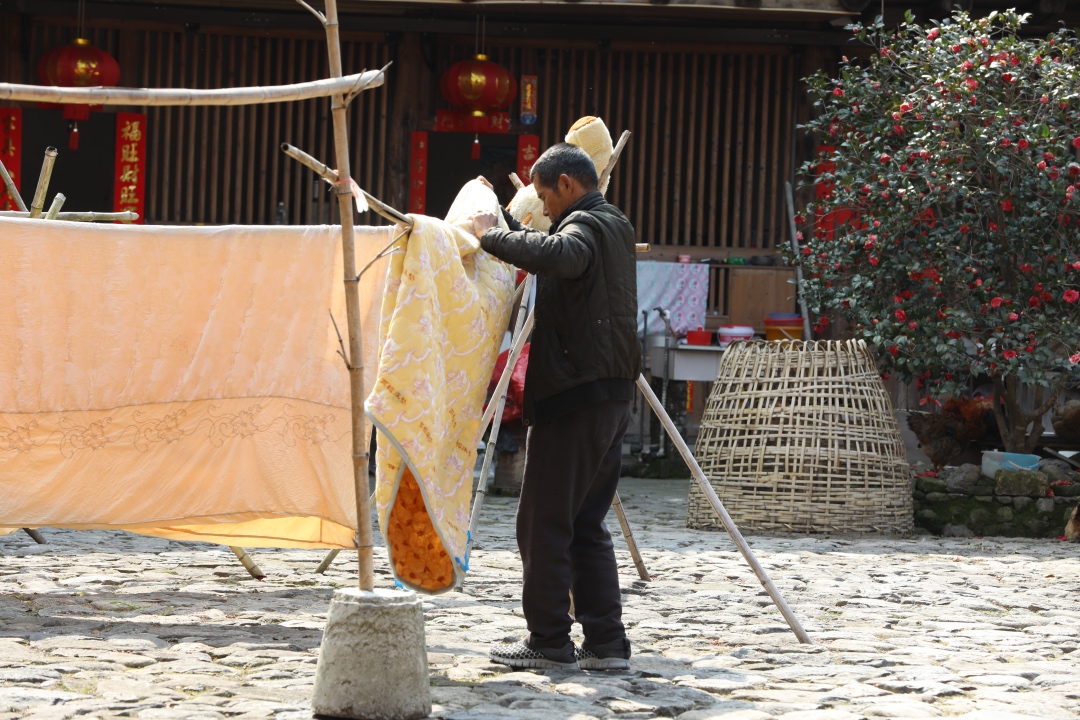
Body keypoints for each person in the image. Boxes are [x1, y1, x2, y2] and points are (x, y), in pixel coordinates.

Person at [469, 143, 641, 671]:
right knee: (587, 522)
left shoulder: (584, 227)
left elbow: (561, 254)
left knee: (543, 523)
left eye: (544, 196)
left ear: (568, 184)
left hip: (575, 396)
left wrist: (488, 236)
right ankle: (607, 644)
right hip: (611, 394)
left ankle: (548, 639)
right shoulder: (617, 223)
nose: (542, 208)